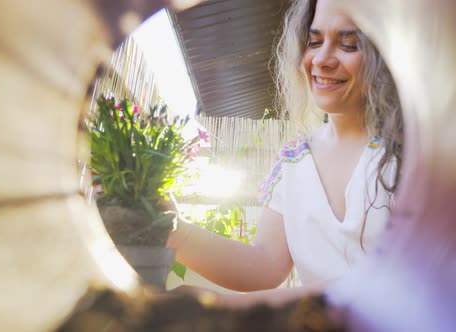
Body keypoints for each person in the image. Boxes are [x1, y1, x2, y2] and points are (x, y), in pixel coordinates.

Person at [164, 0, 403, 306]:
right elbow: (264, 265)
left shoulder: (411, 152)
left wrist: (227, 309)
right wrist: (173, 233)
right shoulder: (294, 160)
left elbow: (399, 276)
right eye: (314, 41)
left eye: (349, 44)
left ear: (385, 54)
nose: (322, 59)